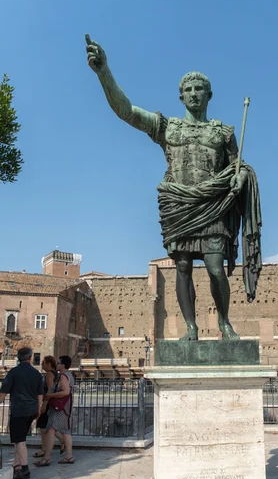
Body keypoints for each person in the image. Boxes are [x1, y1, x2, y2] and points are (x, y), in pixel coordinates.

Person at [85, 35, 262, 341]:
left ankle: (224, 324)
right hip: (179, 207)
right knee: (181, 266)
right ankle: (191, 329)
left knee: (215, 266)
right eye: (188, 89)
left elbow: (239, 167)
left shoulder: (223, 132)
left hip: (212, 206)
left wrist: (241, 176)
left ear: (209, 95)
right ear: (181, 96)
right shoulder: (168, 128)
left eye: (199, 89)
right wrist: (104, 72)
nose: (193, 93)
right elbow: (126, 111)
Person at [0, 347, 43, 479]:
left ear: (18, 357)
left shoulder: (14, 372)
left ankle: (25, 469)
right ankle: (16, 465)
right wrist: (38, 409)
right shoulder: (37, 374)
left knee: (19, 441)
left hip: (19, 410)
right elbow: (40, 394)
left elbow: (3, 393)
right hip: (32, 409)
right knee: (20, 439)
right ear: (30, 357)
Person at [34, 355, 74, 467]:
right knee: (66, 430)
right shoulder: (69, 375)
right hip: (65, 406)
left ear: (63, 365)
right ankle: (69, 456)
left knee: (50, 430)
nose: (56, 364)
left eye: (58, 363)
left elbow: (65, 392)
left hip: (59, 407)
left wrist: (49, 396)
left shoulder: (63, 376)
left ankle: (46, 458)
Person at [33, 356, 65, 458]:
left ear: (49, 364)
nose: (42, 364)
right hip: (52, 403)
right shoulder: (56, 374)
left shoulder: (49, 374)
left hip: (48, 403)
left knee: (43, 426)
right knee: (48, 426)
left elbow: (50, 390)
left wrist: (44, 405)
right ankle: (62, 440)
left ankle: (44, 449)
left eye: (43, 362)